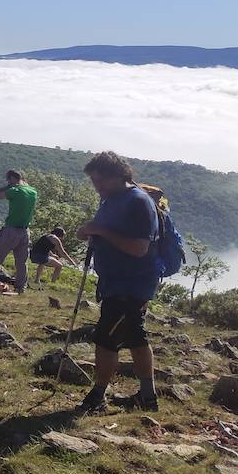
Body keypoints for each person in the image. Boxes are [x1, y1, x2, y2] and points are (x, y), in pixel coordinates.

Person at [76, 151, 160, 413]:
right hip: (116, 281)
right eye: (93, 181)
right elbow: (103, 229)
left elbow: (139, 248)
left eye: (100, 181)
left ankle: (98, 396)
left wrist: (101, 231)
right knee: (135, 336)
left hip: (130, 283)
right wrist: (90, 231)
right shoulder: (112, 198)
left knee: (105, 338)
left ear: (118, 176)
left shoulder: (137, 202)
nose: (97, 187)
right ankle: (147, 397)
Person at [0, 170, 40, 293]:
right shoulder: (33, 191)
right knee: (21, 262)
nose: (7, 182)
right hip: (25, 231)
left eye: (8, 179)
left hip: (11, 229)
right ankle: (21, 287)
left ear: (12, 178)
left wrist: (8, 186)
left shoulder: (15, 190)